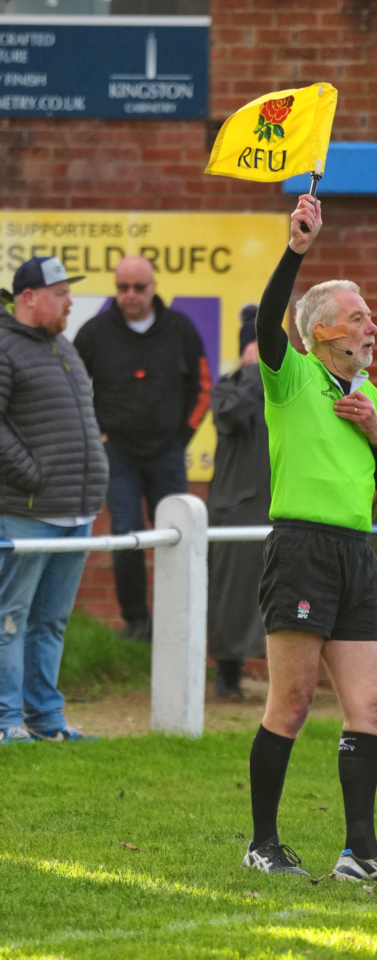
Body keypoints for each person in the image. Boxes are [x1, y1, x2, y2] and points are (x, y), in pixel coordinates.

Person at [243, 194, 377, 887]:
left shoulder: (368, 394)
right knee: (289, 704)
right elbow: (267, 320)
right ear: (320, 330)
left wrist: (375, 433)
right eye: (358, 317)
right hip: (300, 551)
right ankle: (262, 842)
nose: (372, 326)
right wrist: (296, 249)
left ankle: (360, 852)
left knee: (372, 705)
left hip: (356, 555)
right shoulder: (289, 376)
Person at [74, 256, 212, 641]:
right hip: (116, 453)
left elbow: (203, 386)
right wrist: (94, 436)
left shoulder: (180, 329)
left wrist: (182, 438)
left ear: (153, 287)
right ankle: (136, 621)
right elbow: (71, 389)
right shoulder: (94, 333)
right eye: (122, 287)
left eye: (138, 287)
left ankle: (174, 621)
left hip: (167, 452)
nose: (130, 295)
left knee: (176, 534)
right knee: (126, 532)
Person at [0, 257, 109, 743]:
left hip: (76, 511)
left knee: (50, 622)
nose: (70, 302)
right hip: (27, 511)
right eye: (61, 292)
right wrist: (33, 475)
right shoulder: (5, 348)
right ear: (28, 298)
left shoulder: (62, 344)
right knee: (9, 620)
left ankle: (45, 722)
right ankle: (5, 723)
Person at [207, 305, 268, 701]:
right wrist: (251, 375)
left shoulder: (290, 386)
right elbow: (229, 416)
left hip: (280, 505)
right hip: (236, 508)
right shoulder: (230, 386)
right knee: (230, 595)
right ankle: (227, 675)